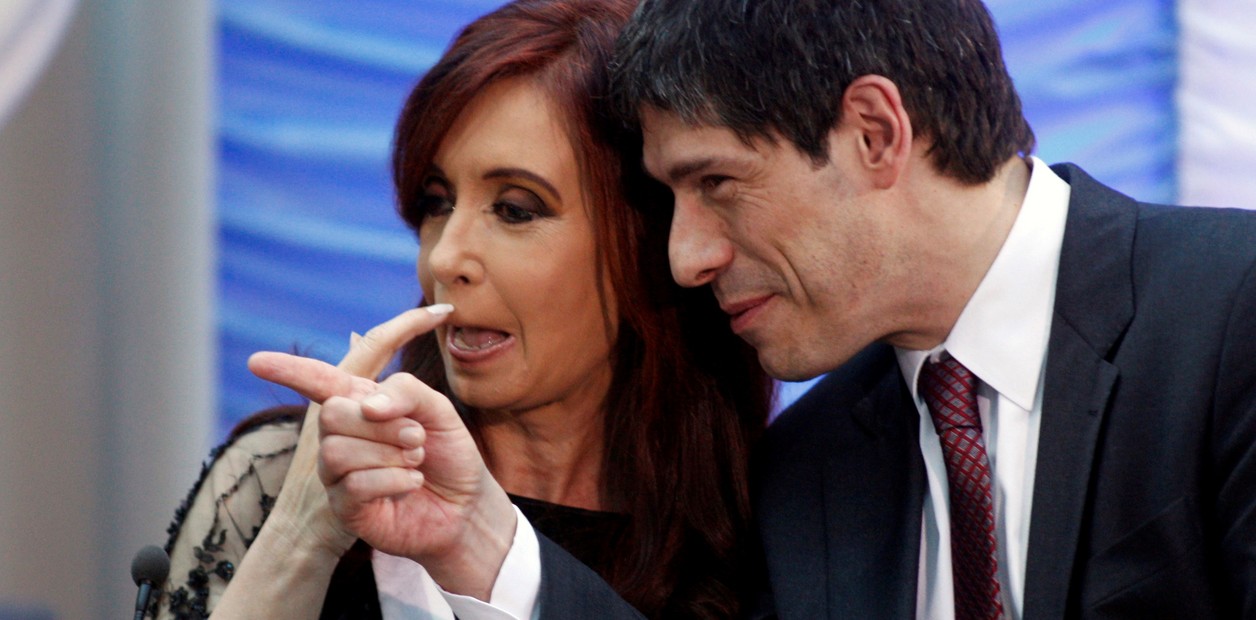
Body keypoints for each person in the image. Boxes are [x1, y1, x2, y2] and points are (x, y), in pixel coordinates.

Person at [280, 0, 1256, 618]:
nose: (685, 257)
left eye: (716, 183)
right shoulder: (809, 462)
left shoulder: (1233, 314)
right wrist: (476, 537)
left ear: (873, 132)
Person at [150, 0, 772, 618]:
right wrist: (300, 535)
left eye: (515, 210)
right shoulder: (281, 480)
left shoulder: (768, 544)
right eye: (436, 202)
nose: (445, 258)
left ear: (651, 241)